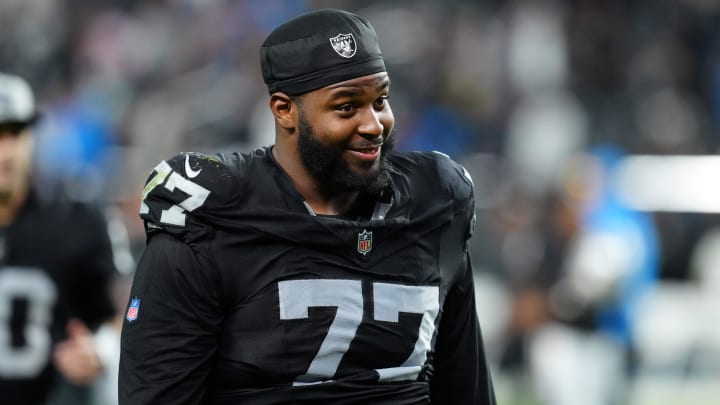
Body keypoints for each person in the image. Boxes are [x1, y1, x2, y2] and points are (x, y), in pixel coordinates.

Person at [119, 8, 496, 404]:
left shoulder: (433, 204)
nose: (373, 125)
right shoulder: (213, 217)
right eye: (346, 107)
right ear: (284, 110)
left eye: (380, 100)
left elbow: (465, 387)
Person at [0, 72, 118, 404]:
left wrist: (100, 350)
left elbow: (122, 312)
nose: (6, 151)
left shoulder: (76, 220)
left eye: (15, 133)